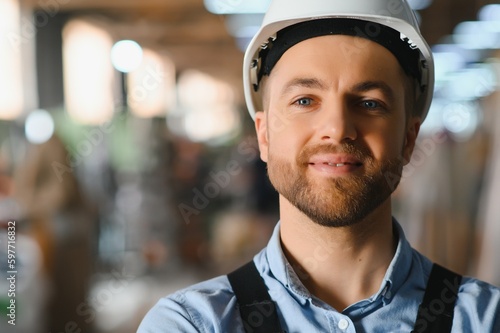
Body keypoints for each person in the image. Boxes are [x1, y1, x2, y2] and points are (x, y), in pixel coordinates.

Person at [137, 0, 500, 332]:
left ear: (408, 138)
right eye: (305, 99)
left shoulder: (485, 319)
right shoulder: (192, 325)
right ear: (264, 137)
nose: (337, 128)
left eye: (370, 103)